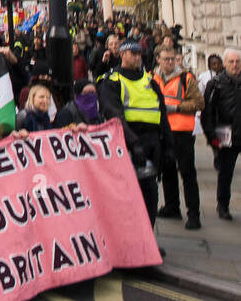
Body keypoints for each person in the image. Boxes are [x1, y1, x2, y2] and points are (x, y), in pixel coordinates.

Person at [98, 39, 170, 228]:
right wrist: (133, 143)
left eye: (139, 53)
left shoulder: (149, 80)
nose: (138, 57)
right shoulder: (112, 80)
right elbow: (113, 114)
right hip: (128, 144)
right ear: (122, 55)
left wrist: (169, 145)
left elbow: (161, 113)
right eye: (133, 53)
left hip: (152, 142)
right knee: (127, 196)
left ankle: (148, 241)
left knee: (150, 195)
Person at [152, 44, 203, 230]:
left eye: (172, 59)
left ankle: (194, 214)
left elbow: (199, 103)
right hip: (163, 131)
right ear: (158, 59)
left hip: (183, 131)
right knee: (167, 170)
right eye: (166, 59)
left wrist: (177, 108)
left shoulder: (186, 77)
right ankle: (172, 207)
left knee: (188, 173)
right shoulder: (152, 77)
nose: (170, 62)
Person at [202, 48, 241, 220]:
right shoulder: (216, 83)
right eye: (231, 62)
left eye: (238, 61)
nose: (235, 65)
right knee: (225, 173)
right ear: (225, 64)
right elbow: (207, 113)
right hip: (226, 135)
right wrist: (211, 137)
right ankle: (223, 205)